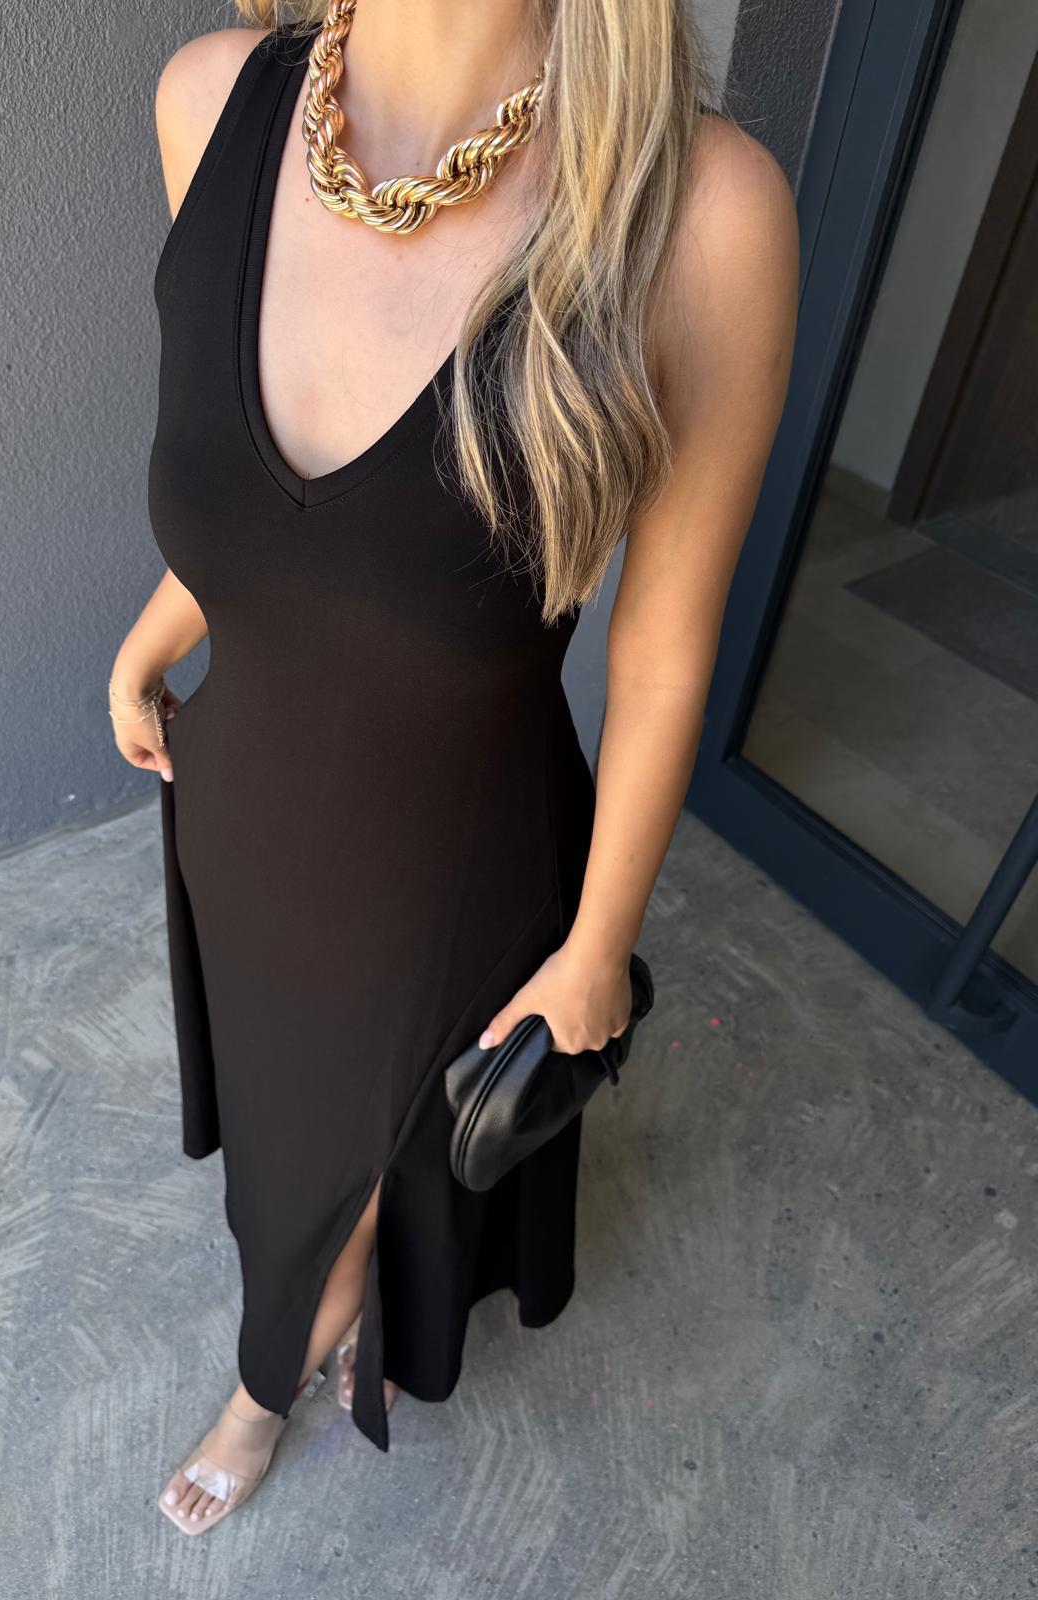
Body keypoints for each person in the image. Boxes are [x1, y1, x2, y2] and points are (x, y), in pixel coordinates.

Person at [109, 0, 797, 1537]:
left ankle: (268, 1377)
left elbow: (662, 654)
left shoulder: (697, 213)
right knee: (282, 1141)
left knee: (375, 1169)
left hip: (453, 864)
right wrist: (158, 625)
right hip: (243, 817)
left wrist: (599, 945)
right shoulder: (211, 104)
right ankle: (303, 1313)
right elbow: (262, 503)